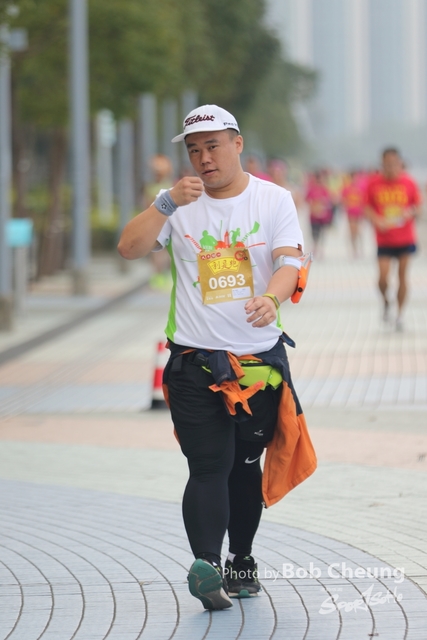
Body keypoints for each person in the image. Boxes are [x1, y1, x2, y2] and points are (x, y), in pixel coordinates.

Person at [118, 105, 316, 611]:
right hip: (194, 363)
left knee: (244, 468)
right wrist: (164, 203)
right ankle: (206, 565)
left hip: (257, 367)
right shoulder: (177, 203)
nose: (204, 158)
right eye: (194, 150)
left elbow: (290, 262)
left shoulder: (273, 199)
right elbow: (129, 247)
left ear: (237, 144)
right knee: (209, 464)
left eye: (213, 146)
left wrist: (270, 298)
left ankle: (240, 560)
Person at [365, 148, 422, 331]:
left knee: (402, 276)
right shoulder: (374, 183)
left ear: (400, 163)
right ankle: (385, 301)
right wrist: (377, 220)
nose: (390, 167)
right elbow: (366, 206)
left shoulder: (409, 182)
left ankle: (399, 315)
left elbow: (418, 206)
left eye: (394, 164)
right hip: (384, 239)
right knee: (382, 278)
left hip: (405, 238)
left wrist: (410, 212)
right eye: (386, 164)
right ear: (382, 164)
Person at [143, 154, 174, 290]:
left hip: (166, 223)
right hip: (155, 224)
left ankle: (164, 276)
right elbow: (147, 206)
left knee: (165, 252)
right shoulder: (152, 187)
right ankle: (158, 276)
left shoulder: (169, 186)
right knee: (157, 252)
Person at [304, 170, 334, 258]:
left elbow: (329, 200)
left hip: (323, 215)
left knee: (322, 232)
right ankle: (315, 246)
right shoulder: (312, 189)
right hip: (313, 215)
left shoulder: (324, 189)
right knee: (314, 232)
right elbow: (307, 200)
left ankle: (320, 248)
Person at [340, 170, 367, 258]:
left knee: (359, 231)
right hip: (351, 212)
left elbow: (365, 199)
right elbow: (343, 200)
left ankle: (360, 249)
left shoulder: (361, 187)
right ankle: (354, 250)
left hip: (359, 212)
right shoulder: (346, 188)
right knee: (352, 232)